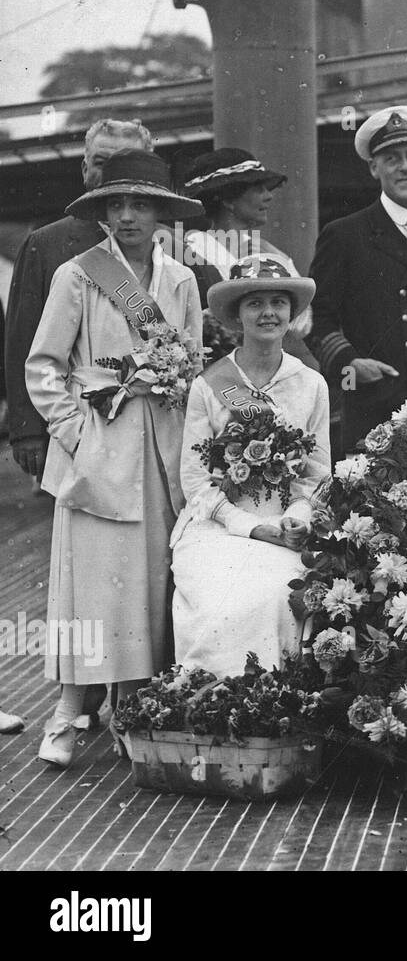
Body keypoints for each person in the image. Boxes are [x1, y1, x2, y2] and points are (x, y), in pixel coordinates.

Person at [25, 149, 203, 767]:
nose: (127, 216)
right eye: (117, 204)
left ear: (161, 213)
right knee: (89, 585)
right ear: (103, 211)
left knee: (147, 584)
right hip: (96, 449)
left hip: (159, 448)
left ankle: (133, 709)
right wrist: (74, 432)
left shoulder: (179, 281)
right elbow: (43, 366)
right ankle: (68, 710)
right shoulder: (77, 274)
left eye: (141, 204)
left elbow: (193, 366)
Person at [170, 255, 329, 679]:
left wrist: (297, 519)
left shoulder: (311, 383)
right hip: (218, 525)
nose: (268, 313)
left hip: (285, 526)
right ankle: (209, 704)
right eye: (255, 303)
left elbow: (315, 476)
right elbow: (196, 481)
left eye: (278, 302)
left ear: (291, 314)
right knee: (219, 594)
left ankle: (270, 708)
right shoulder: (209, 386)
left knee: (277, 592)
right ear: (237, 314)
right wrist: (250, 527)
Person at [309, 105, 407, 452]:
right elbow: (316, 319)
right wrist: (350, 362)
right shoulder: (344, 234)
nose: (405, 167)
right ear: (373, 168)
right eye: (392, 158)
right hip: (374, 409)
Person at [7, 118, 154, 483]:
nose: (112, 173)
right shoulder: (47, 243)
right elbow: (22, 339)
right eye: (103, 162)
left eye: (127, 161)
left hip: (154, 420)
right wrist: (27, 429)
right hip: (76, 419)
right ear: (84, 167)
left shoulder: (174, 246)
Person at [179, 147, 289, 305]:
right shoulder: (195, 252)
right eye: (258, 188)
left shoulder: (265, 250)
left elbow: (301, 321)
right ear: (228, 199)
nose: (269, 196)